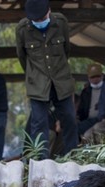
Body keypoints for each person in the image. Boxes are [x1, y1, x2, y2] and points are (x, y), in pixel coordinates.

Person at [16, 0, 78, 159]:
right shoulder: (23, 29)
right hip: (38, 83)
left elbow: (66, 50)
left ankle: (72, 156)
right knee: (39, 123)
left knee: (69, 119)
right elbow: (22, 57)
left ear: (49, 11)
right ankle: (41, 161)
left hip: (61, 81)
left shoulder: (60, 22)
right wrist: (34, 75)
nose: (39, 22)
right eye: (35, 20)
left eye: (42, 18)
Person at [76, 63, 105, 136]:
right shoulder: (85, 92)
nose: (95, 79)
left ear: (102, 76)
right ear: (89, 78)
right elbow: (81, 109)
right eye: (92, 77)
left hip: (102, 119)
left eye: (97, 76)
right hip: (88, 120)